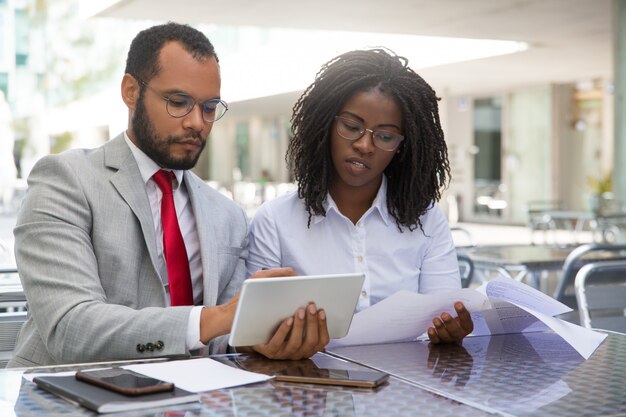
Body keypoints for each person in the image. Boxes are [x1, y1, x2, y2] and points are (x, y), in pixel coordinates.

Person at [8, 22, 327, 368]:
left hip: (193, 398)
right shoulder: (66, 180)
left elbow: (221, 336)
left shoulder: (227, 215)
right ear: (131, 91)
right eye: (179, 102)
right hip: (67, 396)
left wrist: (261, 340)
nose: (197, 123)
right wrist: (217, 319)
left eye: (209, 108)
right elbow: (71, 329)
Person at [247, 48, 473, 345]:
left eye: (386, 136)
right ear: (325, 125)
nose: (365, 145)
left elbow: (442, 312)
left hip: (406, 384)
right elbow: (254, 334)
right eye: (351, 127)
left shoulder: (427, 220)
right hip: (311, 385)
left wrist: (450, 331)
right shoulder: (275, 221)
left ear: (402, 146)